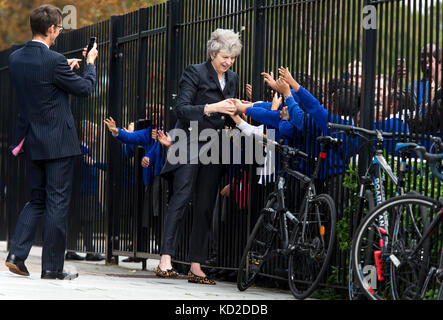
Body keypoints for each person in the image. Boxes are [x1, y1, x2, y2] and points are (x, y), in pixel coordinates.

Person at [5, 4, 98, 280]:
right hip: (59, 143)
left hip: (33, 139)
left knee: (36, 199)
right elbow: (84, 89)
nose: (59, 33)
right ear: (50, 29)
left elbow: (41, 86)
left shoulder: (16, 58)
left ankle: (16, 255)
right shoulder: (54, 60)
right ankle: (52, 268)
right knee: (57, 202)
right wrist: (90, 64)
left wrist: (65, 69)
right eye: (58, 28)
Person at [158, 28, 241, 285]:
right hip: (189, 141)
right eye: (225, 57)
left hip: (215, 147)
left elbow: (230, 114)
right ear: (212, 53)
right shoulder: (194, 72)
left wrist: (236, 112)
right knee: (181, 199)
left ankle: (196, 265)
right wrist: (212, 107)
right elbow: (180, 109)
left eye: (233, 58)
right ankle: (165, 259)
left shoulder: (233, 78)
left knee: (205, 206)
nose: (228, 62)